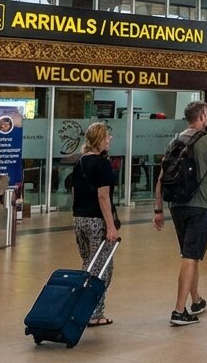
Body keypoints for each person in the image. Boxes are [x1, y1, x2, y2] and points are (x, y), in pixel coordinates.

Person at [153, 101, 207, 327]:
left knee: (190, 254)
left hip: (176, 205)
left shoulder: (174, 142)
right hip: (199, 205)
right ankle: (179, 311)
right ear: (203, 116)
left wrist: (158, 209)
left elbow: (161, 178)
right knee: (190, 256)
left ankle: (196, 300)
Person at [71, 123, 119, 328]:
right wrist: (111, 225)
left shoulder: (80, 161)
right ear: (99, 139)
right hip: (96, 221)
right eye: (107, 136)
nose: (110, 139)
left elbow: (74, 191)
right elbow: (103, 196)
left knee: (88, 264)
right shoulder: (102, 164)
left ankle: (80, 304)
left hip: (79, 218)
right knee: (101, 267)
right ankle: (94, 312)